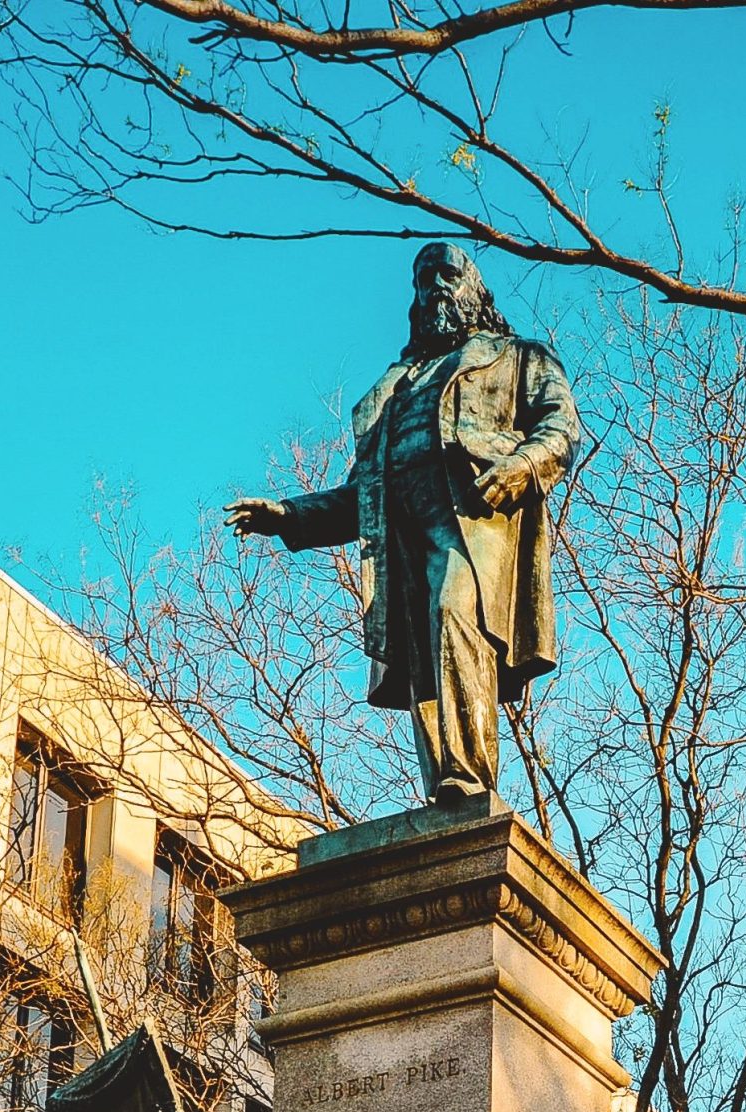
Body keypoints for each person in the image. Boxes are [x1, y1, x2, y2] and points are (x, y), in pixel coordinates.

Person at [228, 243, 580, 803]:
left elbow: (561, 429)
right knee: (422, 650)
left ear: (475, 290)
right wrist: (291, 516)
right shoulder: (396, 389)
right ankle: (444, 780)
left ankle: (470, 777)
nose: (435, 285)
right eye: (424, 277)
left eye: (448, 273)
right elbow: (359, 498)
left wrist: (518, 467)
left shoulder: (518, 358)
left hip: (474, 516)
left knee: (453, 612)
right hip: (401, 533)